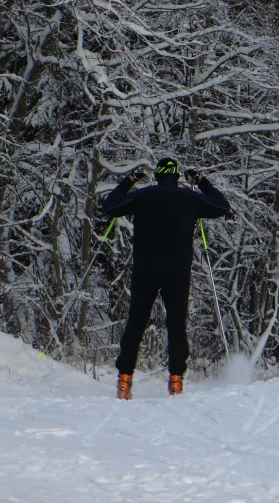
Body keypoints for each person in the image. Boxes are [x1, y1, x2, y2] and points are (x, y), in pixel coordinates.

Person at [101, 158, 230, 399]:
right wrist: (202, 182)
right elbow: (222, 206)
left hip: (145, 269)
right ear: (178, 177)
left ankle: (124, 380)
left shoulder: (143, 196)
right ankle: (175, 381)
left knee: (136, 322)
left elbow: (110, 206)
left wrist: (129, 181)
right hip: (178, 270)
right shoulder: (190, 198)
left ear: (157, 176)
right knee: (176, 324)